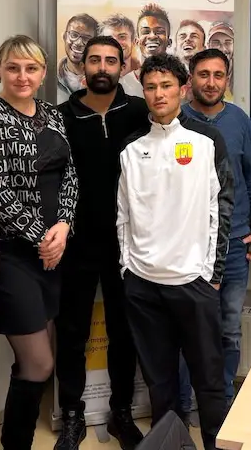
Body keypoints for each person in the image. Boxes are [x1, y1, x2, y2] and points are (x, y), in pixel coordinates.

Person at [117, 53, 234, 450]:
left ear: (183, 90)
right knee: (160, 383)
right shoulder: (131, 146)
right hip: (143, 284)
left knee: (209, 380)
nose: (158, 94)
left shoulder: (208, 141)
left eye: (166, 85)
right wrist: (127, 268)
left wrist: (212, 273)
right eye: (150, 87)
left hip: (193, 282)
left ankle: (215, 444)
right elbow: (123, 213)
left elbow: (223, 207)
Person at [0, 34, 78, 448]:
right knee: (39, 362)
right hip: (14, 254)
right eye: (13, 67)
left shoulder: (53, 114)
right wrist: (41, 237)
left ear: (43, 73)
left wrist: (64, 225)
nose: (22, 76)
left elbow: (70, 174)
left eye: (31, 68)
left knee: (34, 361)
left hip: (54, 252)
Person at [55, 35, 149, 450]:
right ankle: (72, 416)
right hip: (75, 242)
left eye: (111, 60)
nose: (102, 67)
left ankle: (121, 412)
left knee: (123, 331)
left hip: (127, 243)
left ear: (123, 67)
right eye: (95, 60)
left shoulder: (140, 112)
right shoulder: (61, 116)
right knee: (72, 332)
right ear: (82, 66)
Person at [178, 48, 251, 415]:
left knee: (229, 328)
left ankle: (222, 402)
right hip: (187, 247)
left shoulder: (239, 121)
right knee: (188, 331)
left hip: (233, 245)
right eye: (204, 74)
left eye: (218, 75)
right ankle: (183, 406)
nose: (211, 82)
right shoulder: (176, 120)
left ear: (227, 80)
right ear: (190, 79)